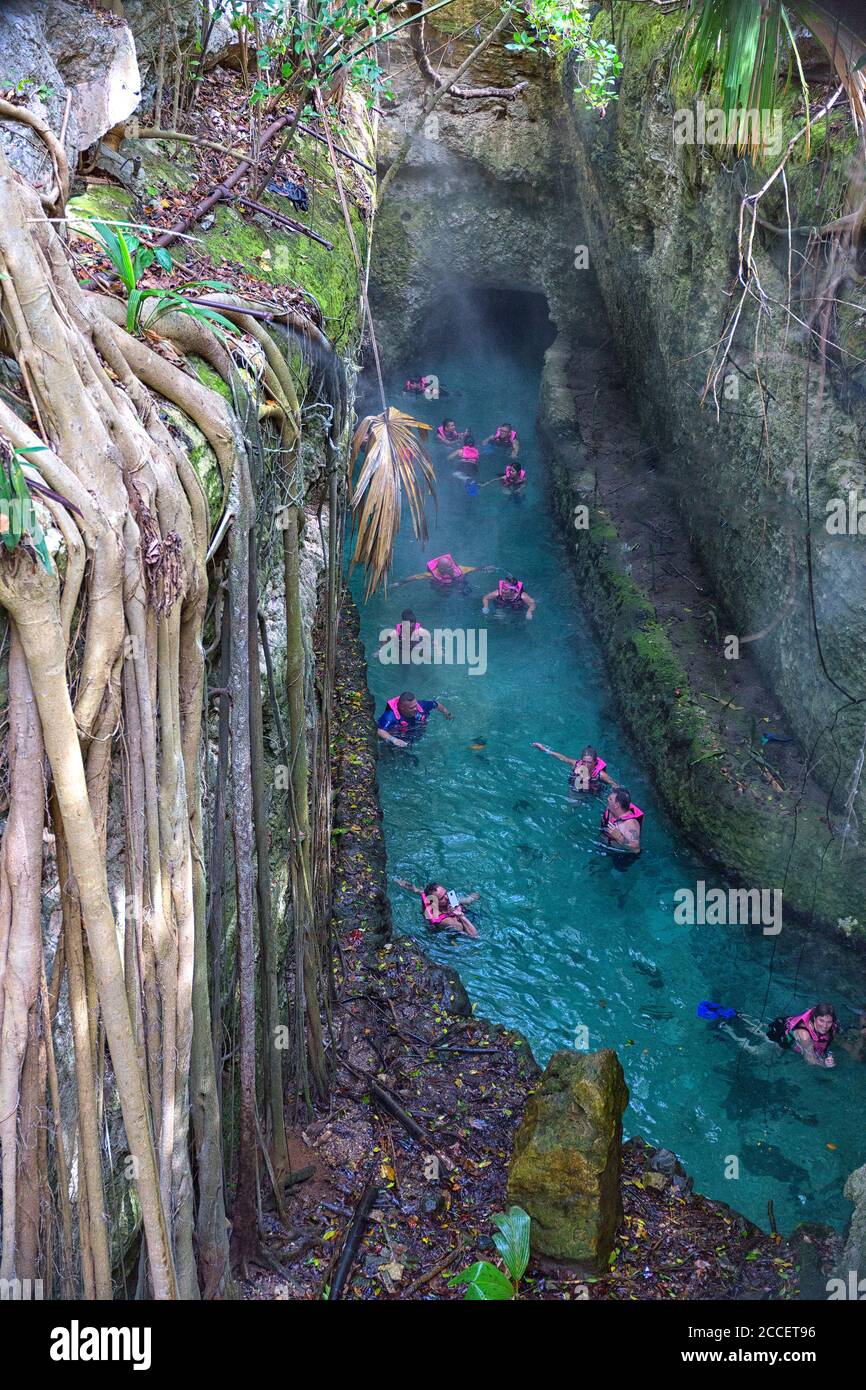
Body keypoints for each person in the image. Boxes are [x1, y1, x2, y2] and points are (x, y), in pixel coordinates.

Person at [394, 879, 479, 938]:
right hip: (448, 936)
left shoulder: (432, 897)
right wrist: (461, 916)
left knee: (469, 900)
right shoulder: (447, 921)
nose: (447, 897)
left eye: (446, 893)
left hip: (448, 911)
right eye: (442, 898)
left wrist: (398, 881)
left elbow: (419, 891)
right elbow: (474, 936)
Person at [769, 1003, 839, 1068]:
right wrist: (824, 1064)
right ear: (815, 1018)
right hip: (780, 1032)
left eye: (829, 1022)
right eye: (821, 1021)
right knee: (774, 1057)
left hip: (793, 1025)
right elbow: (810, 1060)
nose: (825, 1026)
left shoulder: (833, 1026)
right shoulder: (804, 1034)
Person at [376, 690, 452, 747]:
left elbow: (436, 704)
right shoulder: (390, 716)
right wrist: (394, 740)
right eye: (411, 708)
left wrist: (447, 712)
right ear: (402, 707)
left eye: (416, 705)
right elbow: (379, 730)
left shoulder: (421, 705)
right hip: (399, 738)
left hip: (415, 733)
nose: (416, 708)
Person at [533, 742, 615, 791]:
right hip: (578, 787)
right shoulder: (578, 764)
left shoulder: (601, 775)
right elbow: (563, 758)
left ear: (595, 762)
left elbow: (615, 785)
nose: (586, 765)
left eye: (589, 762)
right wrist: (544, 749)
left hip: (593, 791)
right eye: (584, 762)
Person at [394, 553, 493, 590]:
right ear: (441, 570)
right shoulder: (431, 575)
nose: (452, 568)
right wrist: (399, 583)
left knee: (465, 589)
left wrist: (485, 568)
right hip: (442, 587)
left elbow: (474, 569)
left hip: (458, 584)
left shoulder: (460, 569)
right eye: (449, 568)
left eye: (451, 566)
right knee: (441, 592)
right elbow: (415, 577)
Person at [600, 787, 643, 853]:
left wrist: (620, 837)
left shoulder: (630, 824)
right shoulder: (611, 810)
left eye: (610, 799)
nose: (607, 799)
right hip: (605, 844)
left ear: (616, 805)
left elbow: (636, 849)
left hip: (620, 856)